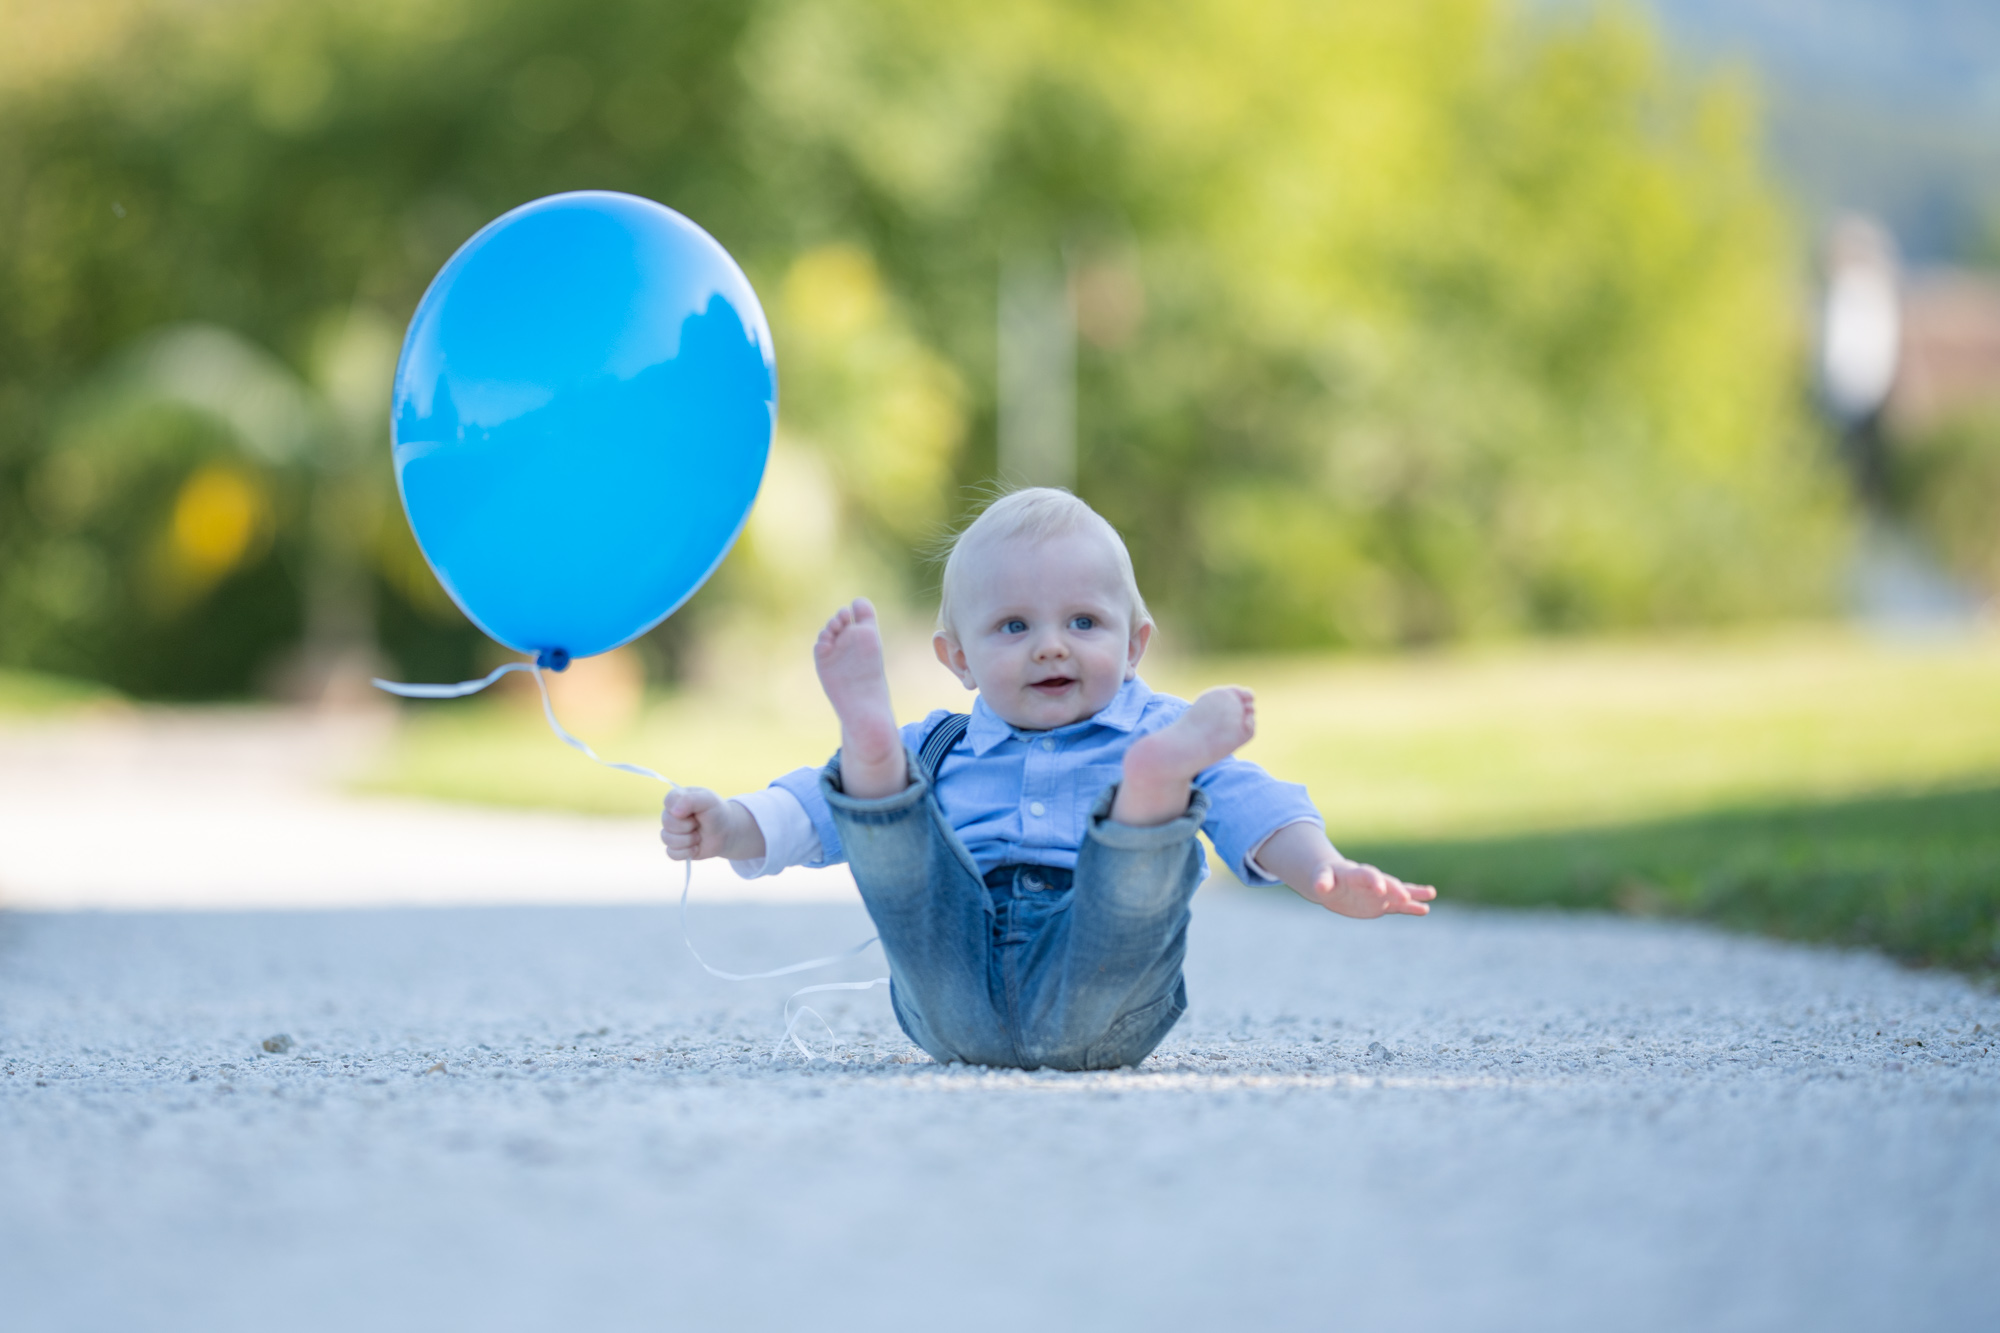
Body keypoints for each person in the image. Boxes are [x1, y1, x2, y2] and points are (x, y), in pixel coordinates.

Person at [660, 488, 1434, 1070]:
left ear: (1136, 644)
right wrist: (730, 825)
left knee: (1130, 886)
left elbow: (1254, 803)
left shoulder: (1155, 725)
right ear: (958, 659)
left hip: (1101, 983)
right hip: (952, 989)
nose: (1051, 647)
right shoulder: (942, 745)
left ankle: (1149, 800)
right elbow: (805, 810)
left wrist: (1322, 869)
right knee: (896, 843)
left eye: (1083, 623)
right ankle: (866, 755)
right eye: (1014, 626)